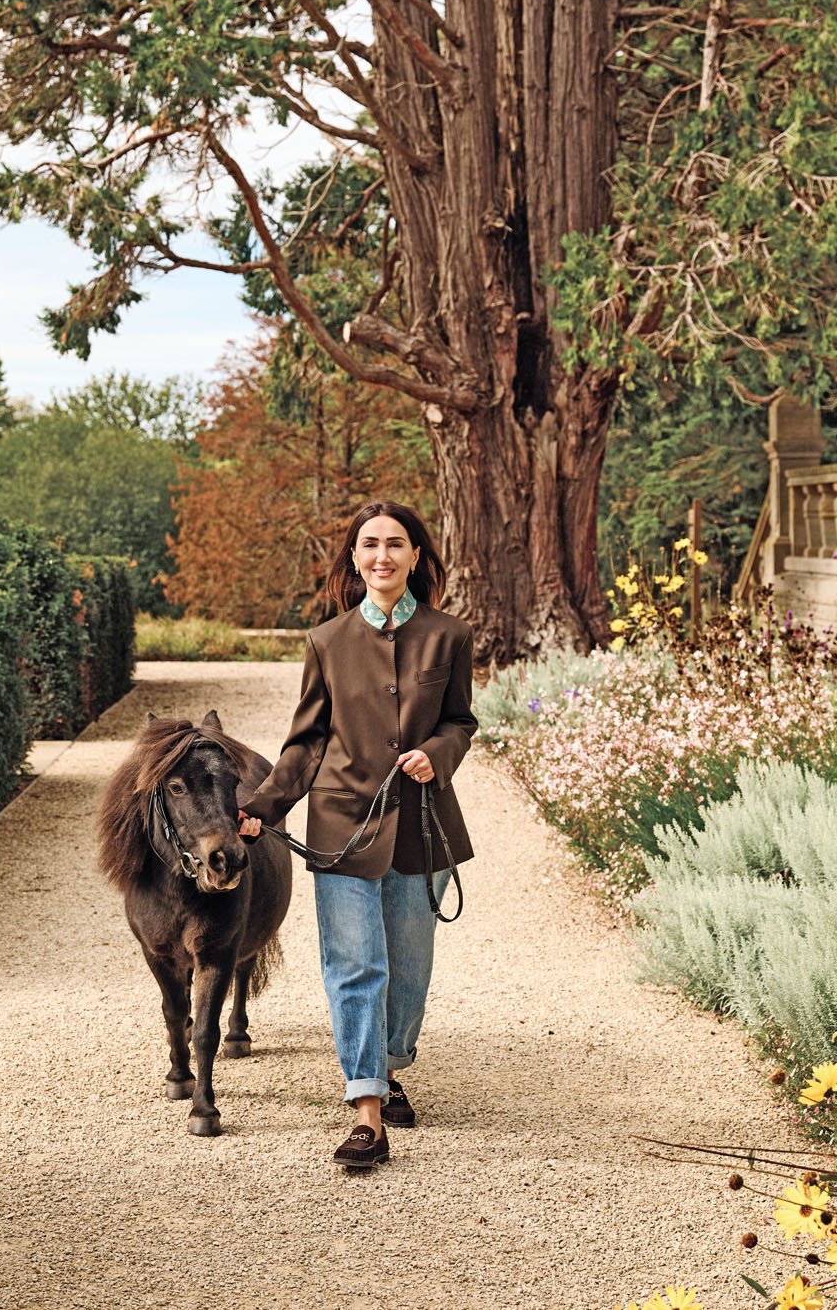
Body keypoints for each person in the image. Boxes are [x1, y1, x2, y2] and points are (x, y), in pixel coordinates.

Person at [238, 500, 477, 1171]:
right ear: (351, 558)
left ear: (415, 557)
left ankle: (390, 1062)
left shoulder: (448, 636)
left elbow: (461, 720)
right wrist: (263, 805)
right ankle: (366, 1108)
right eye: (369, 545)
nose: (381, 556)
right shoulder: (326, 641)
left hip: (422, 826)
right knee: (354, 966)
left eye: (395, 544)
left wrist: (439, 750)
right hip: (342, 826)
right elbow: (306, 742)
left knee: (408, 969)